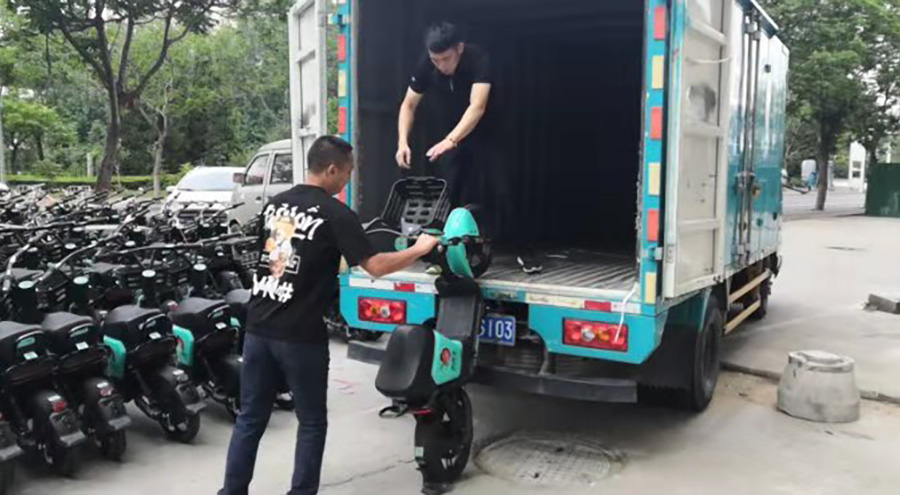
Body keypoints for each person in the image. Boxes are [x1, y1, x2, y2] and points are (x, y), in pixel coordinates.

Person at [219, 135, 440, 495]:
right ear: (332, 169)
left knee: (250, 419)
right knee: (311, 423)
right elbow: (375, 266)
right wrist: (419, 248)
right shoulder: (336, 213)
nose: (348, 181)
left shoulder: (275, 205)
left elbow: (278, 259)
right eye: (348, 173)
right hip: (300, 336)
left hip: (258, 328)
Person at [396, 21, 542, 274]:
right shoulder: (426, 64)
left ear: (460, 48)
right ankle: (441, 256)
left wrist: (451, 140)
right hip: (451, 135)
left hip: (489, 134)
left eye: (446, 59)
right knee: (448, 193)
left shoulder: (478, 59)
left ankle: (524, 249)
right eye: (436, 60)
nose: (441, 66)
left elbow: (477, 107)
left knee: (503, 190)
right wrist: (402, 142)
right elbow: (408, 104)